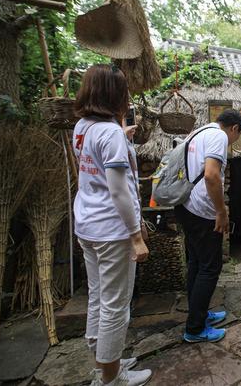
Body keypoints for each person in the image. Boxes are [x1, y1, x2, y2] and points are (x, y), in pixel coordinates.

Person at [72, 64, 151, 386]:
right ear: (113, 94)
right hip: (112, 230)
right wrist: (136, 235)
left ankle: (103, 362)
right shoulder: (110, 135)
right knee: (116, 306)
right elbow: (119, 191)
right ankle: (111, 378)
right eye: (124, 90)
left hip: (87, 225)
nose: (128, 95)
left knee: (98, 297)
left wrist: (122, 134)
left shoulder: (82, 127)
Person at [174, 109, 241, 343]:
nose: (234, 143)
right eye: (237, 137)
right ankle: (194, 328)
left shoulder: (200, 131)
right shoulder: (220, 136)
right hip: (202, 211)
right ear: (234, 128)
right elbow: (211, 176)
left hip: (185, 206)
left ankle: (200, 313)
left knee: (196, 262)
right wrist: (221, 211)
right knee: (210, 268)